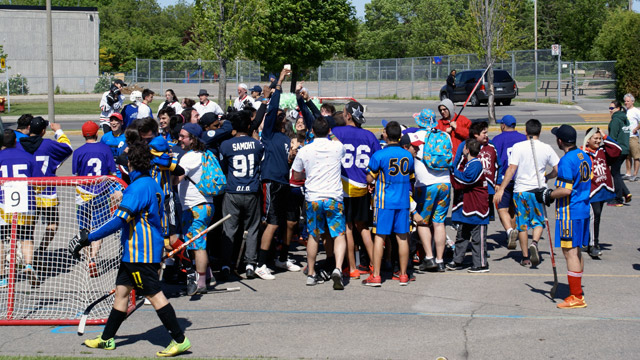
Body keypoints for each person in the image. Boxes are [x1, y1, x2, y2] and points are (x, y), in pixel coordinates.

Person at [72, 140, 191, 356]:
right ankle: (107, 338)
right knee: (122, 293)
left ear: (130, 165)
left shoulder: (138, 188)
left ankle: (179, 339)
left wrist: (89, 237)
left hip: (141, 254)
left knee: (155, 296)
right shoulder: (152, 183)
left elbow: (119, 220)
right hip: (134, 253)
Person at [536, 124, 592, 309]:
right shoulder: (583, 155)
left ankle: (576, 296)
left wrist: (548, 195)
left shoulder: (567, 160)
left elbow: (566, 190)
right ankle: (577, 291)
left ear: (560, 141)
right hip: (583, 208)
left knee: (570, 253)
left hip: (570, 211)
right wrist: (549, 175)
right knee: (577, 251)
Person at [494, 119, 558, 267]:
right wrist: (548, 176)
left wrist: (502, 188)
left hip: (521, 190)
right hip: (538, 189)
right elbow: (557, 169)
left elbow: (511, 169)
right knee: (539, 220)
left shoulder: (518, 147)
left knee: (522, 223)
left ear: (526, 131)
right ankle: (534, 243)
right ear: (540, 132)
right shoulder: (547, 148)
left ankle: (525, 257)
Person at [292, 117, 347, 289]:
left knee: (314, 235)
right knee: (338, 234)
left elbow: (296, 174)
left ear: (313, 131)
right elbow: (339, 142)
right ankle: (338, 268)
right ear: (329, 131)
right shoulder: (337, 147)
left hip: (313, 197)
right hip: (333, 197)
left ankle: (311, 273)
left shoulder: (305, 150)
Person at [331, 101, 381, 279]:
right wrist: (371, 179)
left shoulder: (337, 132)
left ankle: (352, 267)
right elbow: (377, 161)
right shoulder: (369, 136)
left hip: (344, 185)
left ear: (348, 115)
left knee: (347, 227)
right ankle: (375, 264)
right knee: (363, 227)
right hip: (361, 185)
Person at [19, 117, 73, 277]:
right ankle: (41, 251)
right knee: (52, 224)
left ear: (29, 128)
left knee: (27, 229)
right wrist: (58, 131)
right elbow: (68, 148)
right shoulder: (48, 144)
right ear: (43, 131)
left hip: (27, 193)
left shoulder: (20, 145)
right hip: (46, 193)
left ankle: (25, 258)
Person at [363, 121, 414, 287]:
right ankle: (404, 274)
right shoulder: (407, 155)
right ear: (399, 136)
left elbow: (370, 177)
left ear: (386, 135)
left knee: (380, 236)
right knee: (402, 237)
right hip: (403, 201)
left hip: (385, 201)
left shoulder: (380, 155)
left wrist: (371, 180)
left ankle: (376, 275)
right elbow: (411, 177)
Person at [255, 68, 294, 280]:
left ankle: (281, 258)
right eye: (278, 113)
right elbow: (274, 106)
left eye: (283, 114)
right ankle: (260, 263)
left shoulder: (285, 138)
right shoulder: (268, 134)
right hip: (271, 182)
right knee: (270, 221)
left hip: (284, 182)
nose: (281, 114)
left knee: (284, 221)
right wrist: (279, 81)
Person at [219, 110, 264, 279]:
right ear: (247, 125)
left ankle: (225, 264)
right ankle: (250, 263)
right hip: (251, 190)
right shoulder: (257, 145)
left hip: (232, 190)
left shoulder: (226, 145)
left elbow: (224, 168)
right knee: (252, 228)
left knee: (229, 229)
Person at [73, 121, 118, 277]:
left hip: (83, 194)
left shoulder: (78, 152)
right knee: (99, 228)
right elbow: (112, 173)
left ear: (82, 134)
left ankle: (87, 260)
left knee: (84, 228)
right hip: (101, 192)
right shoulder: (105, 149)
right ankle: (93, 258)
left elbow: (76, 175)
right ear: (97, 134)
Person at [0, 130, 44, 288]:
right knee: (26, 236)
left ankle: (2, 276)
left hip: (4, 203)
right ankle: (28, 265)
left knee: (2, 239)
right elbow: (39, 182)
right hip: (26, 202)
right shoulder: (27, 157)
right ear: (15, 141)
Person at [410, 109, 451, 273]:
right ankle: (441, 260)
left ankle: (429, 257)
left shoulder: (416, 137)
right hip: (445, 183)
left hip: (425, 184)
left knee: (423, 221)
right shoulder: (445, 136)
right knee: (439, 222)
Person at [177, 123, 215, 296]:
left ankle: (200, 283)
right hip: (205, 204)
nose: (180, 139)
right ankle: (208, 274)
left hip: (195, 206)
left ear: (192, 139)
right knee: (199, 241)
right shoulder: (206, 154)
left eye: (183, 136)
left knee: (198, 244)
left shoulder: (189, 158)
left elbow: (176, 179)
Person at [447, 138, 490, 273]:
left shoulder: (476, 164)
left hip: (478, 207)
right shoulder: (467, 163)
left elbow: (466, 180)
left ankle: (481, 264)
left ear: (467, 150)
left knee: (478, 237)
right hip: (467, 207)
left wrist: (453, 170)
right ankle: (457, 260)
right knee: (462, 235)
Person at [581, 127, 621, 258]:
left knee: (596, 217)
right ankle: (593, 245)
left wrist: (605, 136)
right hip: (590, 190)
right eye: (595, 138)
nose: (598, 141)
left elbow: (617, 150)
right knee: (594, 216)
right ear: (588, 140)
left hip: (602, 189)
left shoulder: (603, 151)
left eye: (599, 139)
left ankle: (588, 242)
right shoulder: (582, 153)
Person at [491, 115, 527, 247]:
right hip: (520, 178)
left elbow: (494, 160)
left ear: (503, 125)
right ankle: (513, 234)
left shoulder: (498, 139)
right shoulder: (523, 138)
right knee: (513, 209)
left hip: (504, 178)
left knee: (502, 208)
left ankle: (509, 231)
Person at [607, 100, 631, 206]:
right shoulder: (625, 119)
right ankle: (626, 193)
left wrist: (608, 150)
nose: (610, 110)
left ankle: (618, 199)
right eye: (609, 108)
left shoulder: (616, 120)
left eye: (612, 108)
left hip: (618, 150)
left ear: (618, 108)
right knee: (616, 172)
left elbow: (612, 138)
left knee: (615, 173)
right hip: (625, 149)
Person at [100, 113, 126, 178]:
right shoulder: (105, 137)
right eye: (111, 120)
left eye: (116, 120)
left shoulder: (126, 137)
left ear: (121, 122)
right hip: (109, 172)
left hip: (122, 172)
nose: (113, 123)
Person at [624, 93, 640, 181]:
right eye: (625, 101)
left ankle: (635, 174)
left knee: (636, 156)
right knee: (627, 156)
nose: (626, 103)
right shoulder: (625, 111)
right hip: (626, 137)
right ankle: (628, 173)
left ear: (632, 102)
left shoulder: (636, 111)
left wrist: (636, 128)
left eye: (628, 101)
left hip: (633, 137)